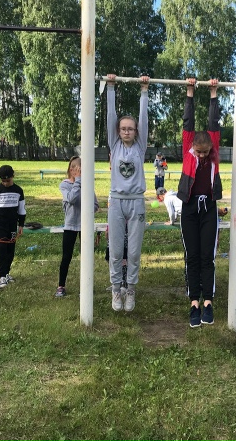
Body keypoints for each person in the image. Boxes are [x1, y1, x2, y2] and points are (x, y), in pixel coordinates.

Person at [178, 78, 222, 328]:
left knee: (208, 256)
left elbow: (213, 124)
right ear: (193, 146)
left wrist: (213, 93)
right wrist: (190, 92)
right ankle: (194, 301)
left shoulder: (213, 152)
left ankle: (208, 302)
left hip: (209, 208)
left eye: (206, 152)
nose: (203, 155)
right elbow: (188, 123)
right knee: (192, 255)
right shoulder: (188, 147)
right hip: (189, 207)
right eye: (199, 151)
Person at [107, 73, 150, 312]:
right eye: (123, 129)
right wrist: (111, 88)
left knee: (133, 251)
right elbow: (110, 117)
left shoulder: (140, 147)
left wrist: (144, 91)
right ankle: (116, 289)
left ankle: (130, 289)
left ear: (135, 132)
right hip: (116, 201)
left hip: (136, 202)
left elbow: (143, 119)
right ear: (118, 131)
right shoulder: (114, 145)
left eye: (130, 129)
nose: (126, 132)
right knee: (115, 251)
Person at [55, 156, 99, 298]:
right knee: (66, 256)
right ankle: (61, 286)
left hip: (85, 226)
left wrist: (88, 208)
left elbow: (95, 205)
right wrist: (78, 181)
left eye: (79, 168)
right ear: (70, 169)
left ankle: (86, 286)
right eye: (74, 168)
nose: (76, 171)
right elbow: (71, 198)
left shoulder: (87, 185)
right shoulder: (64, 185)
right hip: (70, 225)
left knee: (86, 256)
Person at [0, 165, 26, 288]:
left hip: (12, 225)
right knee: (2, 249)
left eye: (8, 180)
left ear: (13, 176)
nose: (6, 183)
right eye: (3, 181)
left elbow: (22, 209)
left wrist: (21, 224)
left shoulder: (18, 190)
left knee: (10, 250)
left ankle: (7, 272)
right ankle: (2, 275)